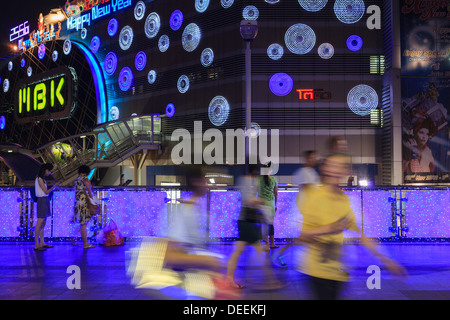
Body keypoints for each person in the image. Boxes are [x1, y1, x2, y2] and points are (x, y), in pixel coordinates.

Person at [296, 154, 407, 300]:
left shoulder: (344, 200)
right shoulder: (313, 195)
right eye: (331, 165)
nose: (335, 170)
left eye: (340, 166)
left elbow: (361, 234)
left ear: (345, 171)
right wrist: (330, 228)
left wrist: (386, 260)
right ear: (324, 169)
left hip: (338, 272)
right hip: (316, 272)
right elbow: (303, 236)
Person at [226, 164, 283, 289]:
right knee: (260, 250)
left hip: (244, 221)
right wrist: (260, 201)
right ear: (254, 170)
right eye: (257, 170)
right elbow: (247, 200)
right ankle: (271, 281)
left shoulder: (246, 180)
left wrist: (257, 201)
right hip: (247, 222)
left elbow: (245, 199)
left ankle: (229, 280)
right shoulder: (248, 180)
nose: (258, 172)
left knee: (238, 252)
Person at [34, 163, 60, 251]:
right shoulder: (40, 179)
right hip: (42, 200)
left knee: (43, 222)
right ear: (46, 170)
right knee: (40, 222)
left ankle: (42, 242)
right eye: (50, 171)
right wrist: (54, 185)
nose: (50, 173)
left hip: (45, 200)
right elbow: (45, 191)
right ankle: (37, 244)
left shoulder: (42, 179)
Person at [72, 165, 96, 249]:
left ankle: (83, 241)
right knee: (83, 224)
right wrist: (90, 192)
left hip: (78, 202)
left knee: (82, 223)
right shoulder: (84, 177)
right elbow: (87, 182)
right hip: (83, 202)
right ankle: (85, 243)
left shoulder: (77, 178)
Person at [257, 166, 278, 250]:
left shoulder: (259, 179)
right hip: (271, 204)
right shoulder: (274, 179)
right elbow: (276, 193)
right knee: (270, 225)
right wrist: (275, 205)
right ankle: (272, 243)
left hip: (262, 204)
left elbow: (256, 190)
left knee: (264, 225)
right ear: (270, 170)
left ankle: (266, 245)